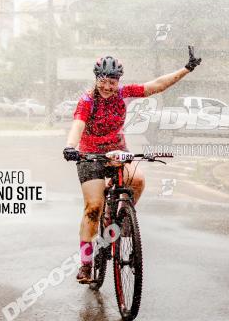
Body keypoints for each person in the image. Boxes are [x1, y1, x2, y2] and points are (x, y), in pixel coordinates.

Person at [63, 46, 202, 283]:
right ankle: (86, 264)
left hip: (117, 152)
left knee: (137, 180)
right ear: (97, 79)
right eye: (104, 81)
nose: (108, 87)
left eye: (113, 82)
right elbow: (78, 124)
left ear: (119, 81)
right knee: (93, 208)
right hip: (90, 155)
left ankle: (120, 220)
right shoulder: (87, 100)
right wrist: (70, 147)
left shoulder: (123, 94)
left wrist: (186, 69)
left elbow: (156, 85)